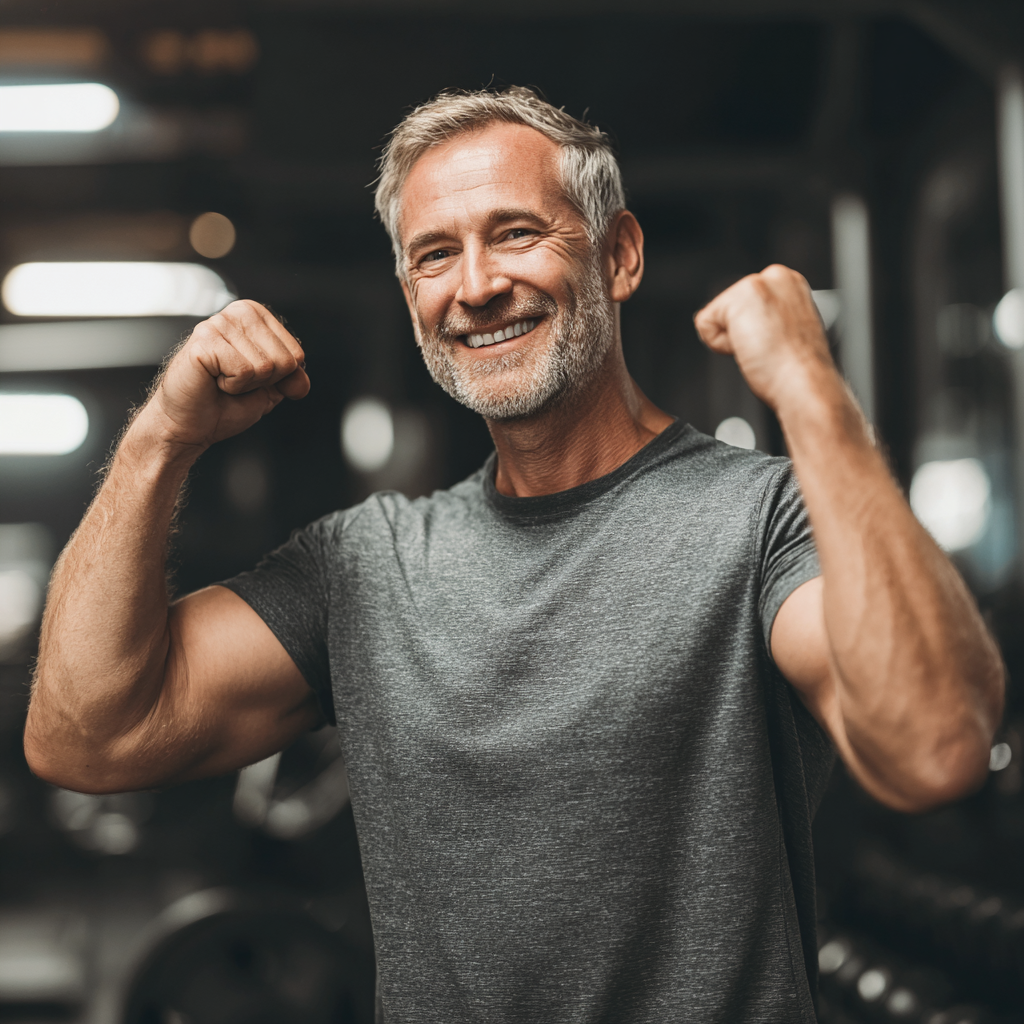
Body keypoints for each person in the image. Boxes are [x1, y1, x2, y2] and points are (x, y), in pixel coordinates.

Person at [25, 87, 1003, 1022]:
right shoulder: (367, 568)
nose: (477, 285)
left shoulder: (760, 525)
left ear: (618, 255)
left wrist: (809, 392)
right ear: (410, 294)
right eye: (433, 254)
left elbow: (933, 745)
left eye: (516, 232)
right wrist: (162, 437)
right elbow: (87, 735)